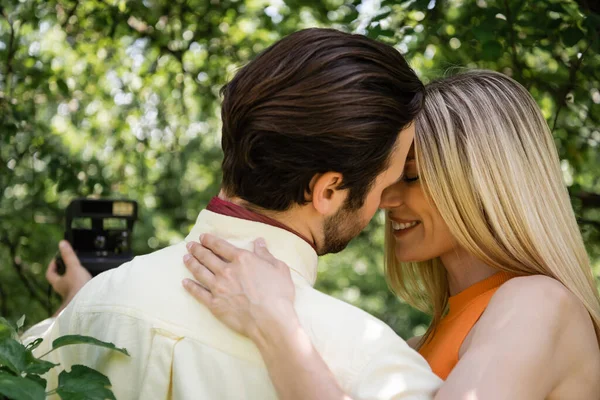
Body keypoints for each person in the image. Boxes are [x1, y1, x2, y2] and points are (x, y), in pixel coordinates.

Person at [25, 28, 443, 399]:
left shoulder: (94, 306)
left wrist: (77, 301)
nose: (387, 202)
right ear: (328, 190)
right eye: (387, 183)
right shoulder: (371, 364)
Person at [182, 70, 600, 399]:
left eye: (412, 177)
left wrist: (276, 328)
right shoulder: (420, 345)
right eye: (390, 177)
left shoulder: (538, 303)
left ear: (485, 184)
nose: (385, 200)